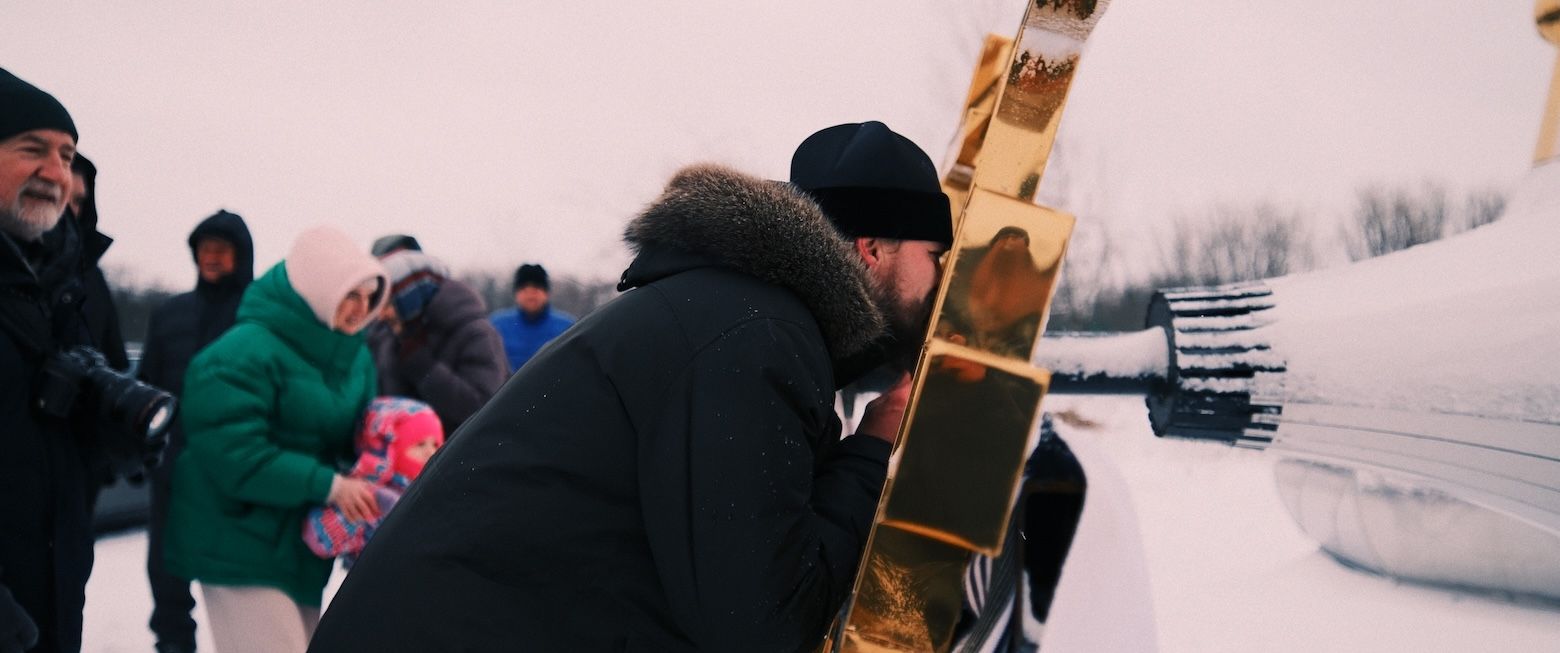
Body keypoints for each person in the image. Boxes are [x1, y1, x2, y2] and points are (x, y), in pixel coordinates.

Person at [308, 120, 952, 652]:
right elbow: (763, 624)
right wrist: (870, 451)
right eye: (936, 256)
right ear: (872, 247)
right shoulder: (754, 340)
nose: (940, 284)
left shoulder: (736, 317)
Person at [163, 226, 387, 653]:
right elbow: (234, 453)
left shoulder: (353, 356)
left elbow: (355, 435)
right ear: (319, 289)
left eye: (369, 296)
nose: (360, 309)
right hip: (235, 540)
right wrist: (330, 485)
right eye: (350, 294)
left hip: (299, 546)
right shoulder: (241, 352)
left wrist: (392, 455)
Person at [0, 66, 95, 653]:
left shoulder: (56, 285)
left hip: (52, 604)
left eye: (67, 156)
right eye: (32, 149)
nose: (55, 172)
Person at [136, 208, 255, 653]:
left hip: (236, 476)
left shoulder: (257, 315)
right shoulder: (170, 314)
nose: (211, 257)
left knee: (239, 591)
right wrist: (143, 450)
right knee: (167, 580)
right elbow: (146, 385)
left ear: (240, 257)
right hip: (174, 470)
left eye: (221, 250)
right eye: (204, 249)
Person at [367, 249, 507, 433]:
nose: (381, 315)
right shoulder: (391, 335)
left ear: (409, 298)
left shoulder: (475, 334)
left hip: (460, 455)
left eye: (387, 304)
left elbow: (481, 407)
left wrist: (423, 367)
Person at [303, 397, 446, 563]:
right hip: (381, 580)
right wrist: (365, 510)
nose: (430, 452)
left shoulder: (437, 489)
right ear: (391, 451)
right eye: (420, 444)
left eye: (436, 445)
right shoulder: (371, 494)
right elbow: (318, 537)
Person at [489, 262, 575, 372]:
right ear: (516, 293)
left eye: (536, 288)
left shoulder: (567, 327)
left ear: (546, 293)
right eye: (524, 288)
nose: (530, 294)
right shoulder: (497, 325)